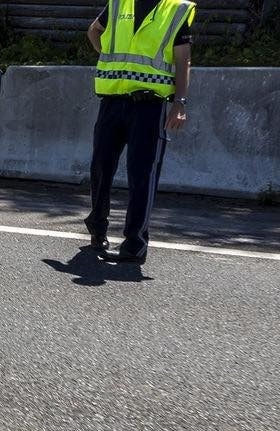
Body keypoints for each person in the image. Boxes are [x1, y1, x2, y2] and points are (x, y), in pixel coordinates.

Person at [84, 0, 196, 265]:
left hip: (149, 106)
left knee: (142, 175)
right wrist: (107, 57)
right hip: (112, 100)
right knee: (100, 167)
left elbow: (183, 59)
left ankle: (134, 243)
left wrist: (179, 103)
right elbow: (93, 31)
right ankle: (97, 227)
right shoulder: (119, 3)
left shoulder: (175, 9)